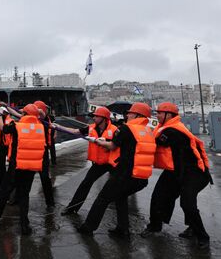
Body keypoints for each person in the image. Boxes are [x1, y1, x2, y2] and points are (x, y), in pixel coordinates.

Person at [76, 102, 156, 238]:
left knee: (102, 198)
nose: (127, 114)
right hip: (141, 178)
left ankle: (88, 228)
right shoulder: (148, 131)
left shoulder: (126, 129)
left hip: (124, 175)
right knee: (120, 197)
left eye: (130, 113)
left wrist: (97, 141)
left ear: (137, 115)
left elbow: (112, 146)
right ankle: (123, 229)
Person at [141, 102, 212, 249]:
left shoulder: (173, 131)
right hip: (176, 170)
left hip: (195, 173)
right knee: (158, 196)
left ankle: (202, 236)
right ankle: (155, 226)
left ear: (169, 115)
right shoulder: (167, 128)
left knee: (187, 203)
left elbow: (154, 142)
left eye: (160, 113)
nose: (157, 115)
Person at [0, 104, 46, 235]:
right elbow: (29, 118)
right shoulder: (41, 127)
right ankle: (25, 226)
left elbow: (2, 128)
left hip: (16, 167)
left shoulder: (16, 126)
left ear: (25, 114)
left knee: (4, 194)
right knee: (24, 196)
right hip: (31, 167)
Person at [54, 106, 118, 215]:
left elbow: (120, 144)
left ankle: (119, 213)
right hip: (99, 163)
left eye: (96, 116)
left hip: (113, 163)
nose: (94, 118)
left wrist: (107, 140)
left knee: (116, 188)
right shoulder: (91, 128)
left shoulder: (115, 130)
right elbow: (75, 131)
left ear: (104, 118)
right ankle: (72, 208)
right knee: (85, 184)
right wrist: (59, 127)